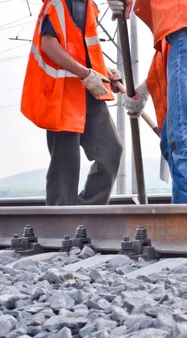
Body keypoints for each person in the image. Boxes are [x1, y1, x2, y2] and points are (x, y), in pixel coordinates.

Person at [107, 0, 187, 204]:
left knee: (185, 134)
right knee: (172, 140)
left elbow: (184, 37)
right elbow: (174, 46)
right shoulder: (180, 21)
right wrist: (145, 91)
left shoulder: (183, 14)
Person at [21, 0, 123, 206]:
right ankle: (62, 220)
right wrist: (86, 73)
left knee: (111, 149)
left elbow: (84, 50)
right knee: (65, 163)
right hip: (63, 95)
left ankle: (87, 213)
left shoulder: (89, 7)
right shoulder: (58, 5)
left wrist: (105, 70)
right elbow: (49, 45)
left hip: (89, 91)